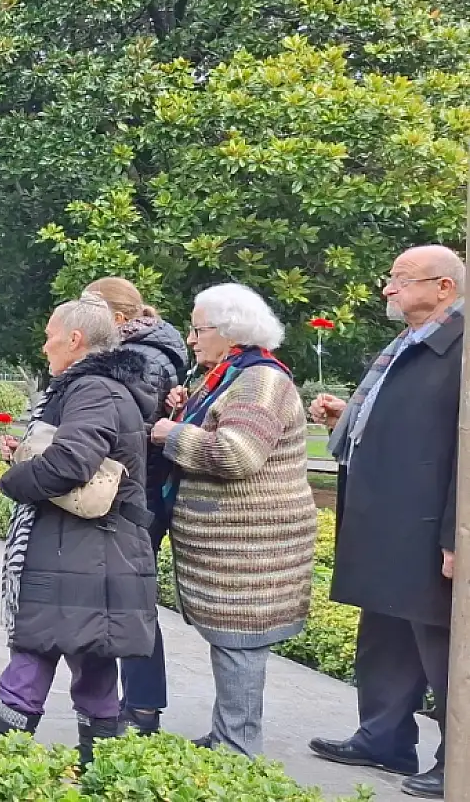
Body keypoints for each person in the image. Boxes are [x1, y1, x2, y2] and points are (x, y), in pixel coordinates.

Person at [308, 245, 464, 799]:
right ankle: (383, 738)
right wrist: (347, 416)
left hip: (425, 523)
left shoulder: (461, 348)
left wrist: (455, 535)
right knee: (385, 633)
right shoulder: (412, 341)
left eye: (400, 279)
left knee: (441, 644)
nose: (388, 289)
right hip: (386, 516)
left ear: (443, 287)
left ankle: (459, 760)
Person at [149, 284, 316, 757]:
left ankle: (238, 748)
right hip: (233, 547)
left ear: (229, 330)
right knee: (230, 642)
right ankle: (228, 733)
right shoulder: (229, 375)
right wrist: (185, 411)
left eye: (198, 329)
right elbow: (218, 426)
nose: (191, 338)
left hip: (253, 550)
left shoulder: (260, 381)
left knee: (240, 642)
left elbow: (236, 453)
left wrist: (172, 433)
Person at [0, 294, 158, 768]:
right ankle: (98, 777)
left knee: (32, 661)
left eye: (49, 336)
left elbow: (70, 462)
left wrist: (14, 481)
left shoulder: (94, 390)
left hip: (83, 552)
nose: (45, 346)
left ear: (75, 339)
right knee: (95, 668)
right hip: (98, 554)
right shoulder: (103, 387)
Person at [84, 277, 190, 735]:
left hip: (135, 495)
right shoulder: (148, 351)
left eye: (91, 309)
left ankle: (143, 705)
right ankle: (136, 701)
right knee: (127, 598)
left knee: (130, 599)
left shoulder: (143, 359)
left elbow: (129, 429)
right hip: (138, 491)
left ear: (120, 319)